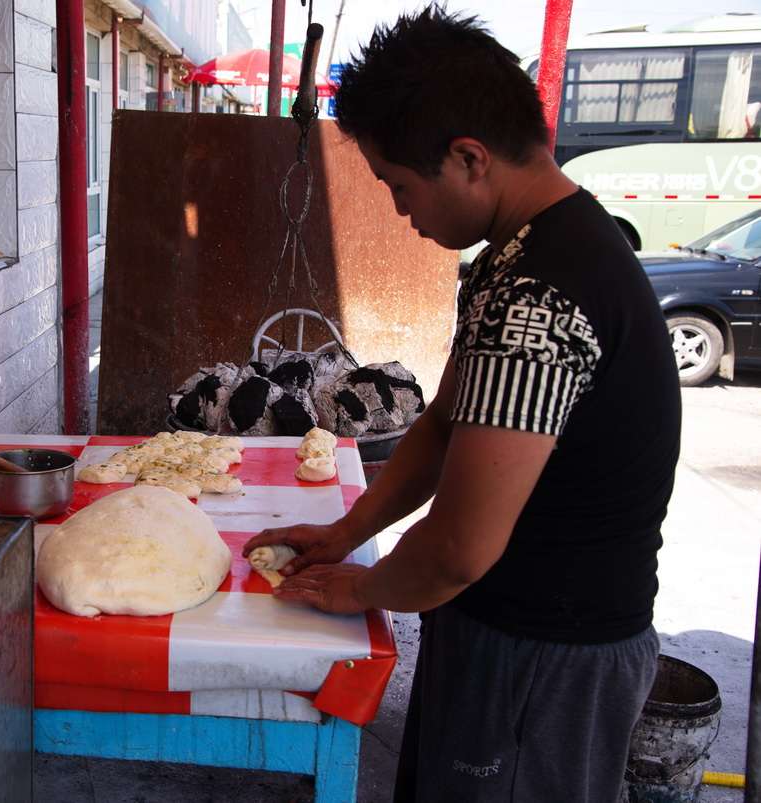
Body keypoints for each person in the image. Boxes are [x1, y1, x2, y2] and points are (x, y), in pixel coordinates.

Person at [243, 6, 681, 801]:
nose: (399, 211)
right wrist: (346, 532)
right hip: (502, 631)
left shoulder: (541, 292)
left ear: (469, 158)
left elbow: (456, 550)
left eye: (398, 185)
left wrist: (357, 587)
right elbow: (445, 423)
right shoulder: (517, 257)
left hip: (543, 655)